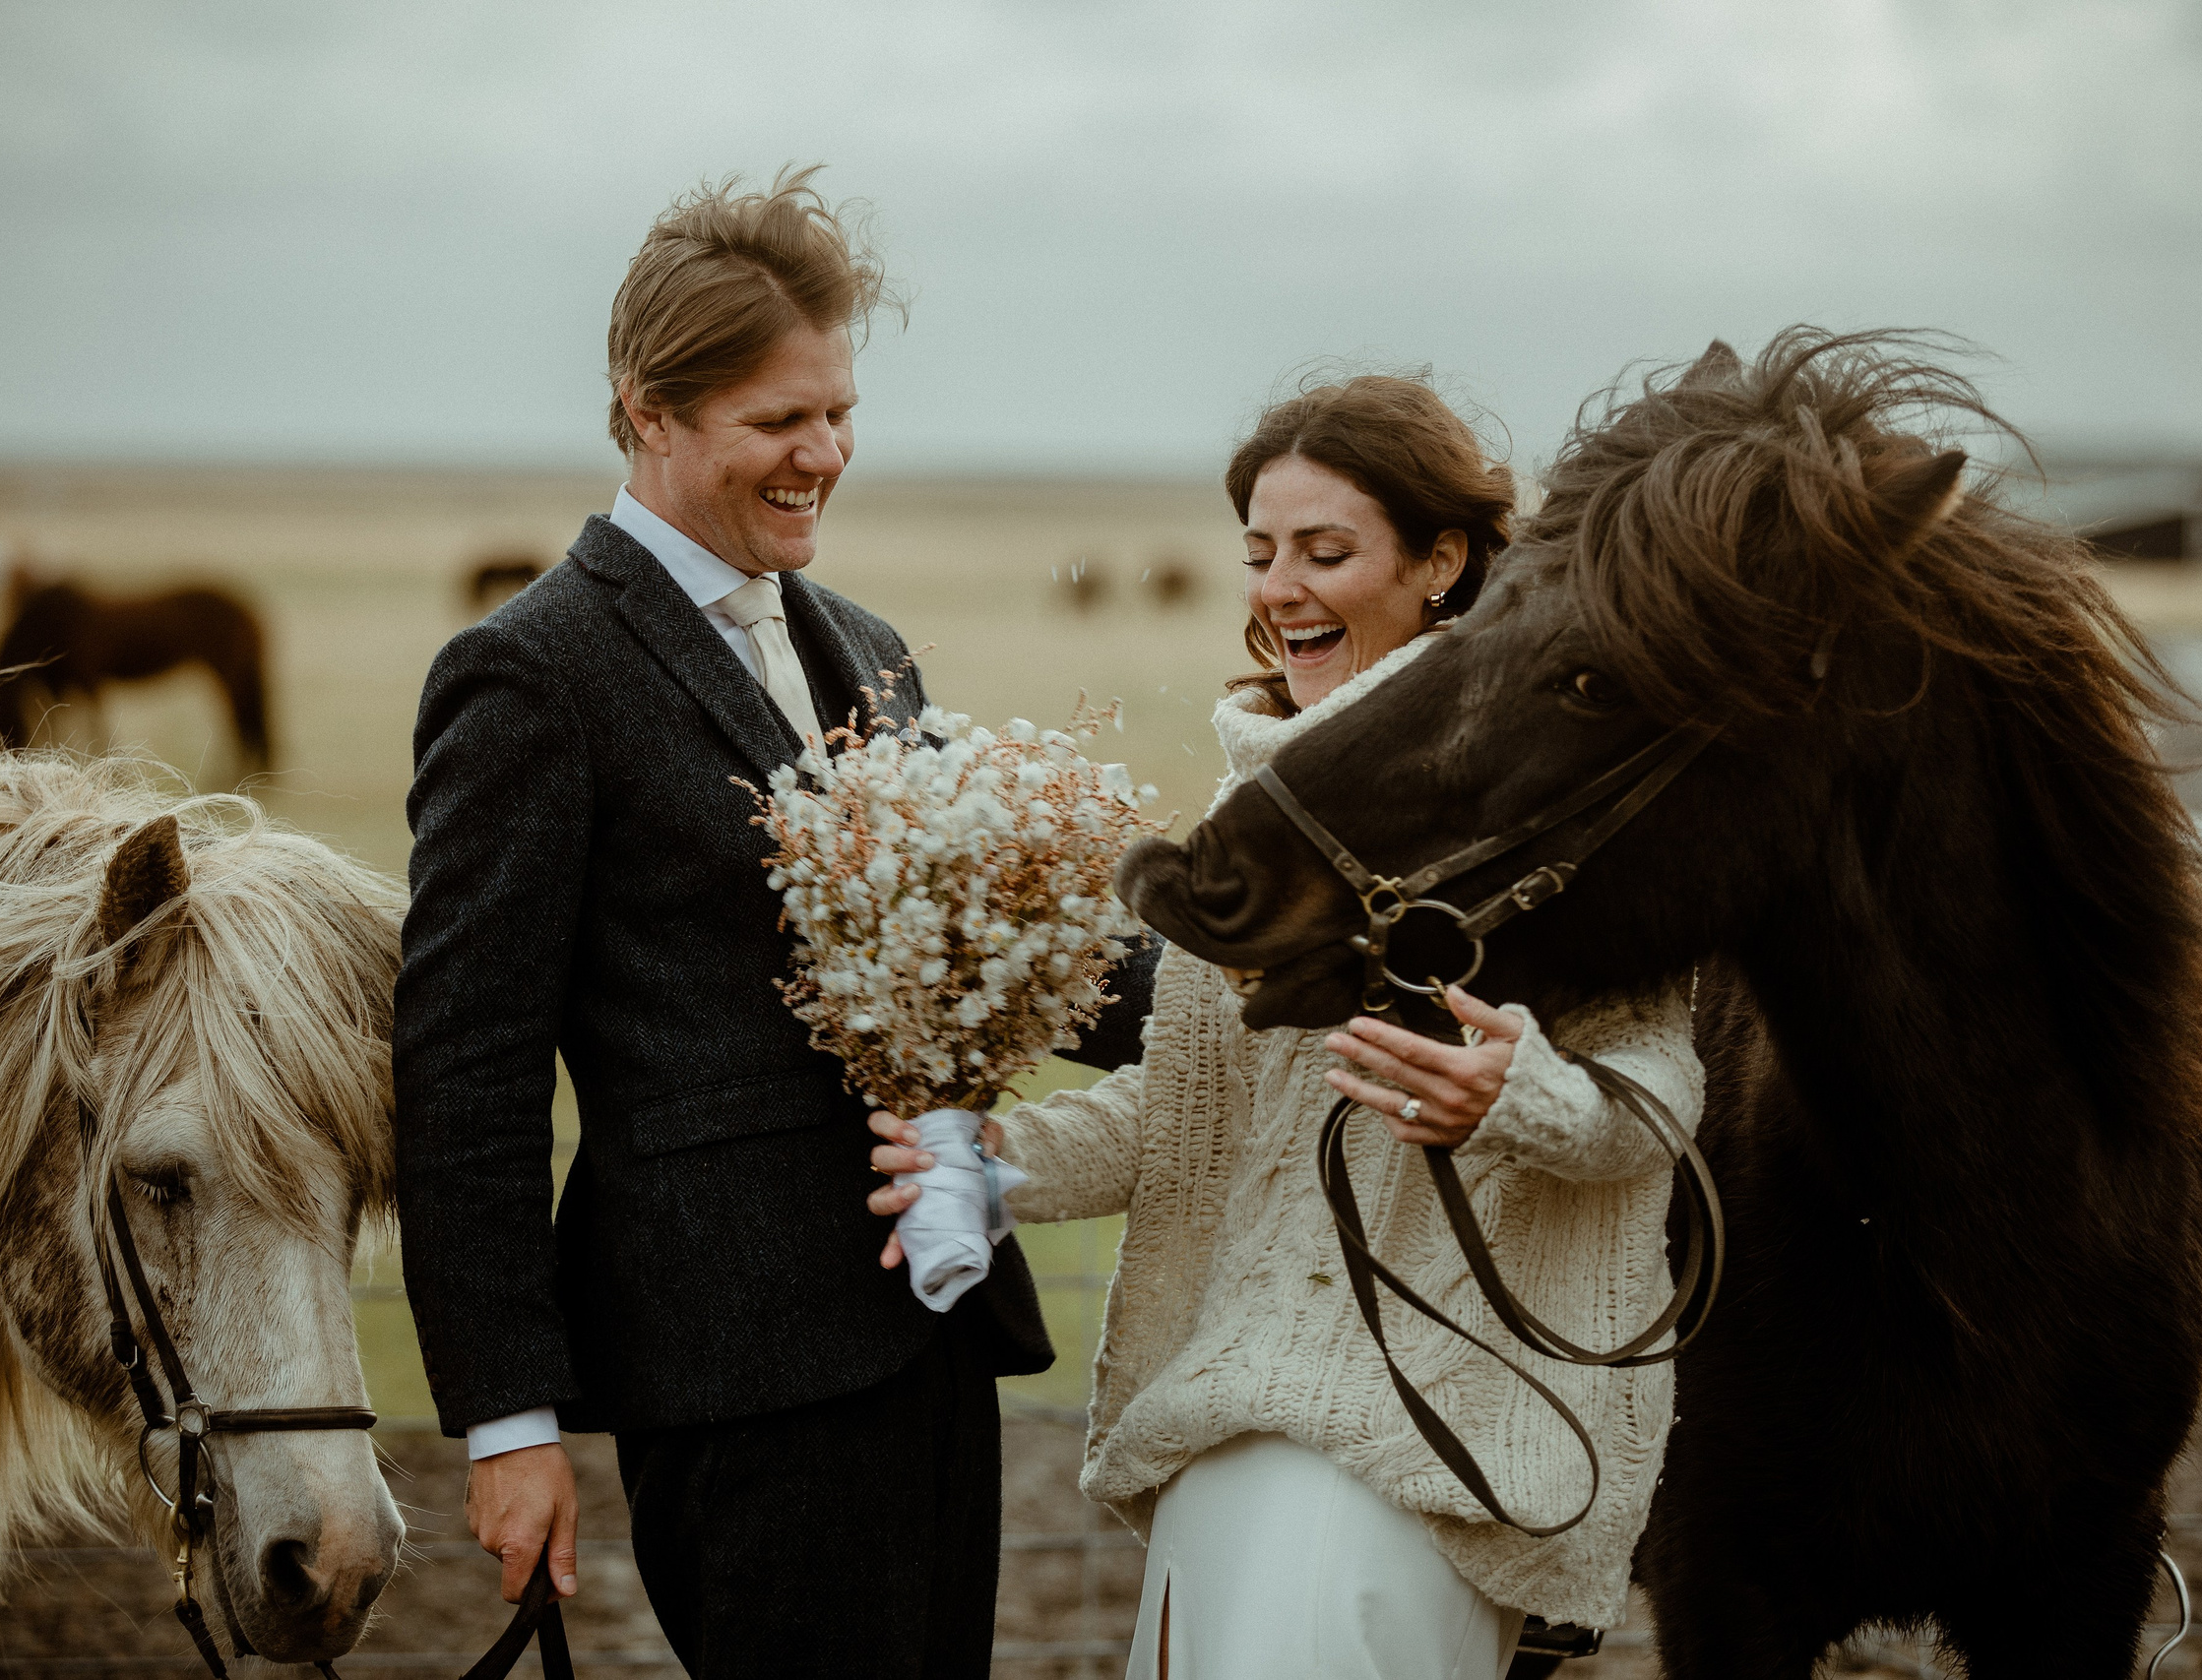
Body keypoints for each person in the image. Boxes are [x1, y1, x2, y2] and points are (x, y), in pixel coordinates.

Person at [393, 167, 1153, 1678]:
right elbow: (465, 1074)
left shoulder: (864, 647)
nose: (824, 456)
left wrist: (1290, 976)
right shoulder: (529, 675)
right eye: (778, 423)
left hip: (929, 1326)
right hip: (729, 1367)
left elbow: (992, 941)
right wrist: (508, 1418)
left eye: (839, 413)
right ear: (648, 412)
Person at [869, 375, 1703, 1680]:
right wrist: (991, 1167)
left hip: (1436, 1424)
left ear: (1440, 561)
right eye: (1261, 553)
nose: (1281, 587)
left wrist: (1518, 1097)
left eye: (1326, 551)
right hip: (1229, 1401)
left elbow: (1656, 1091)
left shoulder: (1547, 792)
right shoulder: (1253, 803)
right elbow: (1189, 1105)